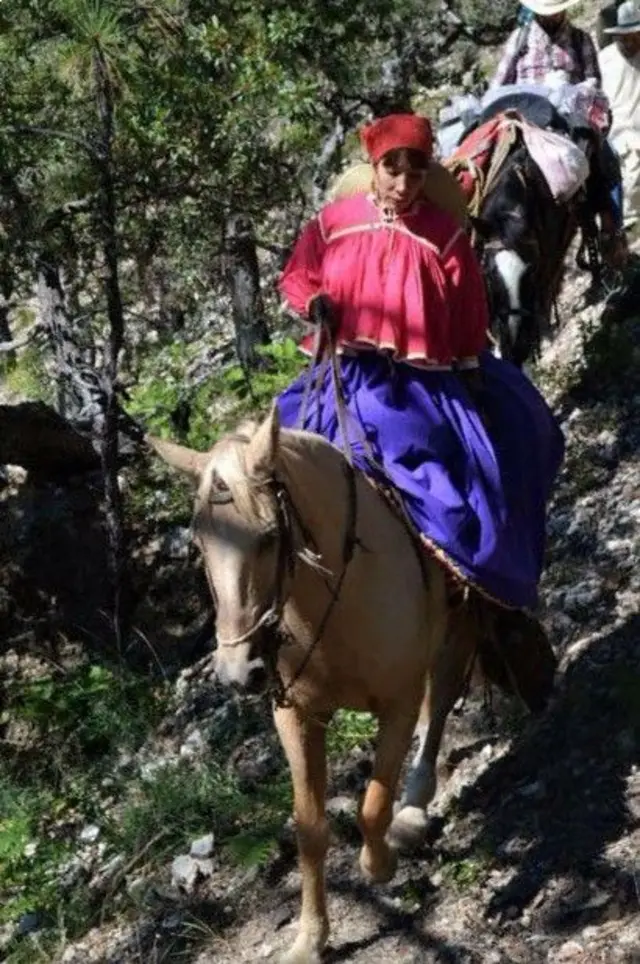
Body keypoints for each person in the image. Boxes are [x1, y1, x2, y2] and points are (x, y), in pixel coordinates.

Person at [275, 113, 565, 613]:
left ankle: (466, 590)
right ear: (375, 166)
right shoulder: (333, 225)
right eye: (393, 169)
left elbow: (468, 310)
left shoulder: (443, 235)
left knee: (474, 464)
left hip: (423, 381)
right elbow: (299, 276)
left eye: (415, 172)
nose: (404, 184)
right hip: (346, 372)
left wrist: (471, 371)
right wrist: (314, 302)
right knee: (275, 456)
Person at [490, 0, 627, 267]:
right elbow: (498, 86)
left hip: (570, 119)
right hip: (527, 120)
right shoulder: (519, 41)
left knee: (606, 157)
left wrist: (577, 95)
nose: (552, 17)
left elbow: (595, 85)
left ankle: (612, 232)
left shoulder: (580, 40)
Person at [599, 0, 640, 227]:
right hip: (611, 134)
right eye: (624, 37)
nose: (629, 42)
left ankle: (629, 227)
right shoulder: (605, 60)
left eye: (634, 36)